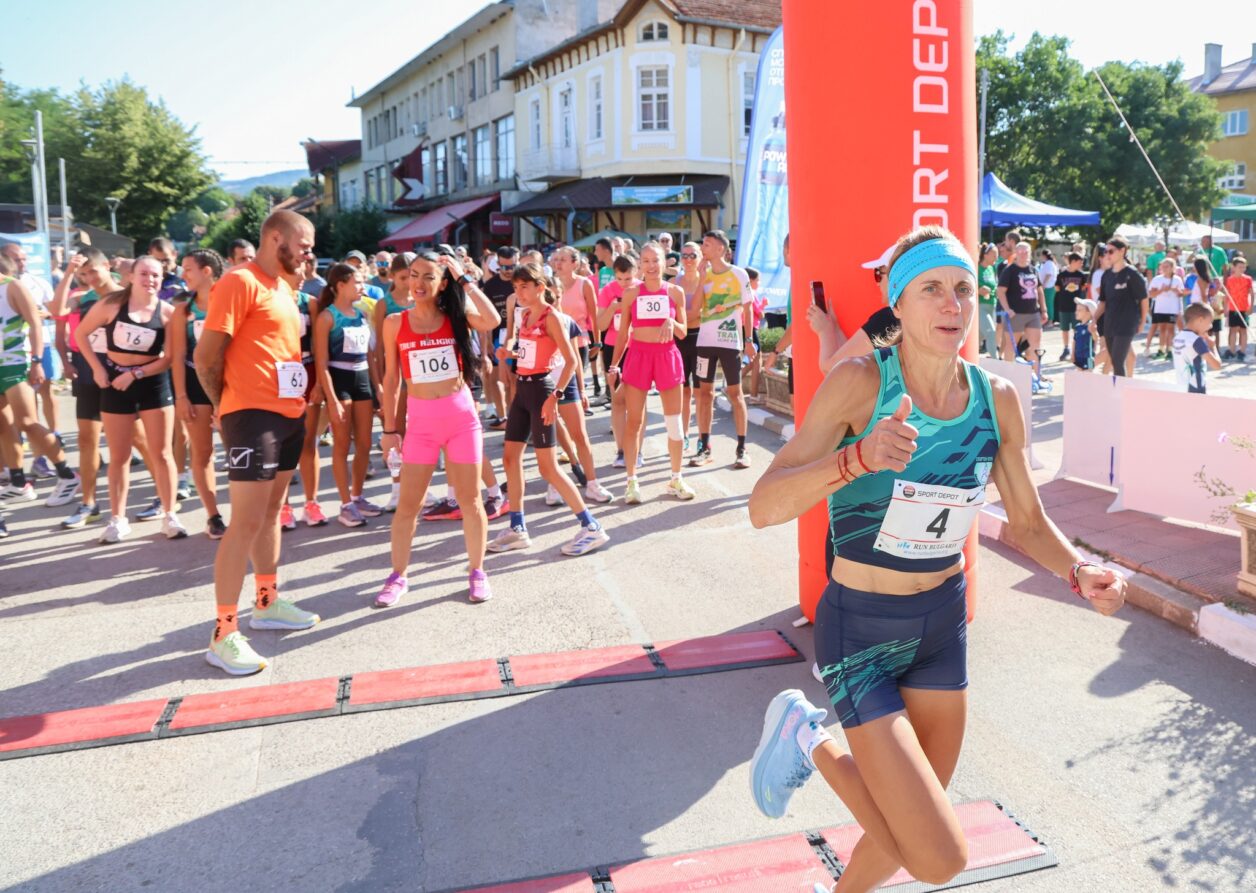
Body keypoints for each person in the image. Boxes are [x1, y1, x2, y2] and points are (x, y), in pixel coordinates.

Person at [744, 226, 1126, 893]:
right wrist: (856, 459)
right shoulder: (860, 384)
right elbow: (764, 505)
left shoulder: (995, 399)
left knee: (900, 832)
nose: (953, 304)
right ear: (897, 303)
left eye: (963, 289)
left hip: (941, 630)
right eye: (931, 289)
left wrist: (1077, 570)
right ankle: (807, 737)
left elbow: (1028, 521)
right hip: (860, 630)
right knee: (937, 856)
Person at [194, 209, 321, 676]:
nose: (308, 254)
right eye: (303, 245)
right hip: (251, 416)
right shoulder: (239, 281)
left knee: (271, 513)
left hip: (288, 415)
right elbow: (206, 356)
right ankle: (223, 634)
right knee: (244, 523)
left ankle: (266, 603)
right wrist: (226, 409)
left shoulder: (284, 288)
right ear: (274, 238)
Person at [377, 250, 501, 606]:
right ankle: (398, 575)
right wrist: (389, 429)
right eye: (413, 275)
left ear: (443, 283)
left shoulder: (456, 317)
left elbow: (491, 320)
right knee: (409, 505)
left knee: (470, 500)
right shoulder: (395, 323)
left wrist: (464, 278)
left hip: (461, 420)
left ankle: (477, 571)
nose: (417, 283)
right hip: (421, 425)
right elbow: (391, 379)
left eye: (428, 276)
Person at [489, 262, 609, 557]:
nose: (519, 293)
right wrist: (510, 353)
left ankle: (591, 526)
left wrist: (555, 396)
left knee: (548, 467)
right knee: (510, 459)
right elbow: (530, 352)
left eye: (524, 287)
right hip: (522, 391)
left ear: (540, 288)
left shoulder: (552, 317)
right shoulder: (524, 315)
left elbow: (571, 361)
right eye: (516, 287)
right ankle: (517, 527)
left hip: (542, 391)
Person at [74, 256, 185, 542]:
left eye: (156, 275)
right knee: (119, 455)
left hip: (152, 383)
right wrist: (98, 369)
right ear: (131, 277)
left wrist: (136, 373)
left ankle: (170, 515)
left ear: (162, 279)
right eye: (144, 274)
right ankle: (118, 519)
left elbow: (169, 358)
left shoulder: (168, 312)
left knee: (162, 453)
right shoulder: (111, 304)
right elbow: (81, 333)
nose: (150, 280)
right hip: (114, 382)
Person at [608, 241, 696, 503]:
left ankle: (676, 478)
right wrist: (614, 365)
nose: (651, 266)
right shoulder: (631, 294)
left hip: (667, 356)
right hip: (638, 356)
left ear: (664, 261)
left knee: (674, 422)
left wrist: (672, 321)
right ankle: (631, 482)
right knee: (634, 421)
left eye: (655, 260)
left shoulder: (675, 292)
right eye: (645, 261)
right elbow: (623, 334)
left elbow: (683, 331)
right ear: (639, 265)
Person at [0, 255, 80, 508]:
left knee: (26, 422)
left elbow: (35, 322)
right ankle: (18, 482)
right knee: (3, 425)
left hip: (16, 362)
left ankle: (67, 475)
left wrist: (36, 361)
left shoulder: (12, 286)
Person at [313, 262, 383, 527]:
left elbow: (370, 355)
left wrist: (378, 386)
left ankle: (358, 496)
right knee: (342, 445)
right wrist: (331, 399)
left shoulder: (362, 314)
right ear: (340, 285)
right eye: (357, 282)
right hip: (339, 381)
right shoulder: (327, 317)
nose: (362, 287)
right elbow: (321, 363)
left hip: (362, 380)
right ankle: (345, 505)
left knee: (364, 444)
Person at [169, 249, 228, 539]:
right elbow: (178, 356)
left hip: (230, 382)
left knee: (238, 450)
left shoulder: (230, 303)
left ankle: (249, 511)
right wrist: (181, 396)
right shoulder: (183, 310)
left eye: (188, 269)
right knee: (202, 451)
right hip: (194, 384)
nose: (183, 275)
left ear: (207, 271)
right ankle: (213, 516)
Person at [691, 230, 755, 469]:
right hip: (705, 342)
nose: (702, 248)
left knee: (735, 394)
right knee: (704, 394)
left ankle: (742, 449)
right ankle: (704, 447)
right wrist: (700, 279)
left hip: (730, 342)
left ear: (720, 248)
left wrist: (749, 340)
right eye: (703, 244)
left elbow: (748, 308)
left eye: (707, 244)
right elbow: (696, 308)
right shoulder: (704, 275)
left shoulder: (739, 274)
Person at [0, 242, 61, 463]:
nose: (21, 263)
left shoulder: (22, 284)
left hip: (23, 356)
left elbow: (49, 315)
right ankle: (14, 474)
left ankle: (60, 464)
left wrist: (36, 360)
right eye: (17, 259)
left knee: (29, 417)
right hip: (5, 360)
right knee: (6, 423)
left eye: (23, 259)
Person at [373, 252, 416, 512]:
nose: (409, 282)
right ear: (392, 276)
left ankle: (419, 488)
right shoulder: (384, 304)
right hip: (396, 374)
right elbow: (379, 348)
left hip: (419, 374)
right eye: (403, 278)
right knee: (396, 433)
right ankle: (397, 488)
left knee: (419, 434)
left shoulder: (422, 299)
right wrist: (380, 381)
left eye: (412, 276)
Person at [1093, 236, 1146, 378]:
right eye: (1106, 252)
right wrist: (1093, 319)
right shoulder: (1106, 275)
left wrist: (1142, 322)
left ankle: (1120, 388)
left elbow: (1144, 299)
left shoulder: (1132, 274)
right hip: (1109, 323)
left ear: (1122, 251)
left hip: (1127, 323)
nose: (1107, 255)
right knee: (1114, 360)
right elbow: (1103, 302)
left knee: (1117, 360)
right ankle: (1120, 386)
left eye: (1111, 251)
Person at [480, 246, 519, 426]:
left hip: (519, 336)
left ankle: (514, 416)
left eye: (512, 266)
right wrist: (487, 341)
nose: (509, 270)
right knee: (496, 379)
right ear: (498, 265)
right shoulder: (490, 286)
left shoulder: (521, 281)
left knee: (513, 379)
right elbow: (485, 315)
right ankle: (503, 416)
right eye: (504, 267)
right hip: (498, 336)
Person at [995, 242, 1047, 374]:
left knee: (1035, 345)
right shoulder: (1009, 271)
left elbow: (1039, 291)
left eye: (1026, 252)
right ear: (1016, 253)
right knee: (1011, 346)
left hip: (1033, 313)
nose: (1023, 254)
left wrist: (1044, 310)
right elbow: (1000, 291)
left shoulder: (1033, 270)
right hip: (1015, 314)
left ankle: (1037, 375)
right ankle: (1009, 375)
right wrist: (1007, 309)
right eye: (1020, 252)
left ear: (1030, 254)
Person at [673, 242, 705, 446]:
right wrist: (694, 314)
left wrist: (688, 316)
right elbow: (679, 314)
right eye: (684, 256)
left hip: (701, 339)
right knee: (683, 391)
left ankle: (702, 436)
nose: (688, 260)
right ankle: (683, 434)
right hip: (679, 340)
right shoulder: (674, 282)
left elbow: (700, 314)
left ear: (700, 256)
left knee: (701, 392)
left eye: (692, 255)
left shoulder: (707, 281)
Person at [1172, 303, 1222, 394]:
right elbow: (1217, 365)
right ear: (1200, 320)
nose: (1211, 326)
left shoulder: (1177, 338)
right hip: (1196, 389)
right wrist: (1213, 346)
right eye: (1210, 322)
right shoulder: (1196, 341)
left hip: (1181, 387)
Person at [1146, 258, 1186, 361]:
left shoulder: (1177, 279)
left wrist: (1174, 290)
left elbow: (1181, 293)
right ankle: (1161, 349)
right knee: (1162, 329)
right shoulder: (1157, 279)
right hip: (1160, 308)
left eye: (1166, 266)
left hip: (1172, 308)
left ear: (1172, 268)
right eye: (1162, 266)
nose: (1164, 268)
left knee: (1171, 329)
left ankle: (1170, 350)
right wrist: (1162, 290)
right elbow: (1151, 294)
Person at [1184, 256, 1223, 354]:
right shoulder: (1202, 279)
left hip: (1199, 306)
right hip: (1198, 305)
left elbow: (1203, 295)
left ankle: (1205, 350)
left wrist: (1206, 308)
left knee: (1199, 330)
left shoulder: (1201, 280)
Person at [1054, 252, 1088, 361]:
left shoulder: (1081, 275)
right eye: (1080, 262)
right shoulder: (1062, 275)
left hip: (1077, 307)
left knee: (1076, 328)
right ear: (1072, 262)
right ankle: (1066, 348)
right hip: (1064, 305)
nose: (1081, 264)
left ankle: (1076, 348)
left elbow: (1083, 288)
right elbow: (1057, 288)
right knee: (1064, 329)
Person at [1222, 255, 1250, 362]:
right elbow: (1227, 295)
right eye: (1240, 267)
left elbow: (1251, 293)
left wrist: (1251, 306)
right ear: (1233, 267)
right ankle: (1232, 350)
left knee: (1243, 330)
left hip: (1244, 308)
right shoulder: (1229, 280)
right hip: (1233, 308)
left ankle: (1242, 351)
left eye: (1244, 267)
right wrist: (1225, 308)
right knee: (1232, 329)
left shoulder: (1247, 279)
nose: (1242, 269)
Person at [975, 244, 999, 357]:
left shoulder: (991, 268)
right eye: (994, 255)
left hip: (991, 305)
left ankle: (969, 357)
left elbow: (994, 286)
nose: (996, 258)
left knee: (979, 336)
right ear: (985, 255)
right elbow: (967, 287)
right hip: (980, 306)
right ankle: (996, 361)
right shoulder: (976, 268)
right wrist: (978, 291)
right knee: (991, 332)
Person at [1071, 298, 1101, 371]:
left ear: (1089, 312)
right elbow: (1074, 341)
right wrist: (1072, 354)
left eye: (1079, 310)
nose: (1076, 312)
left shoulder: (1091, 326)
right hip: (1078, 357)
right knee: (1079, 374)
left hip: (1088, 358)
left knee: (1088, 374)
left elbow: (1096, 339)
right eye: (1076, 310)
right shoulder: (1078, 326)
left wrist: (1093, 332)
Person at [1037, 248, 1057, 327]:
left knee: (1048, 304)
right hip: (1047, 286)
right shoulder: (1047, 263)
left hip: (1049, 287)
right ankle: (1046, 321)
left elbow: (1049, 274)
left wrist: (1043, 285)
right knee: (1046, 303)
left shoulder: (1049, 263)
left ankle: (1050, 321)